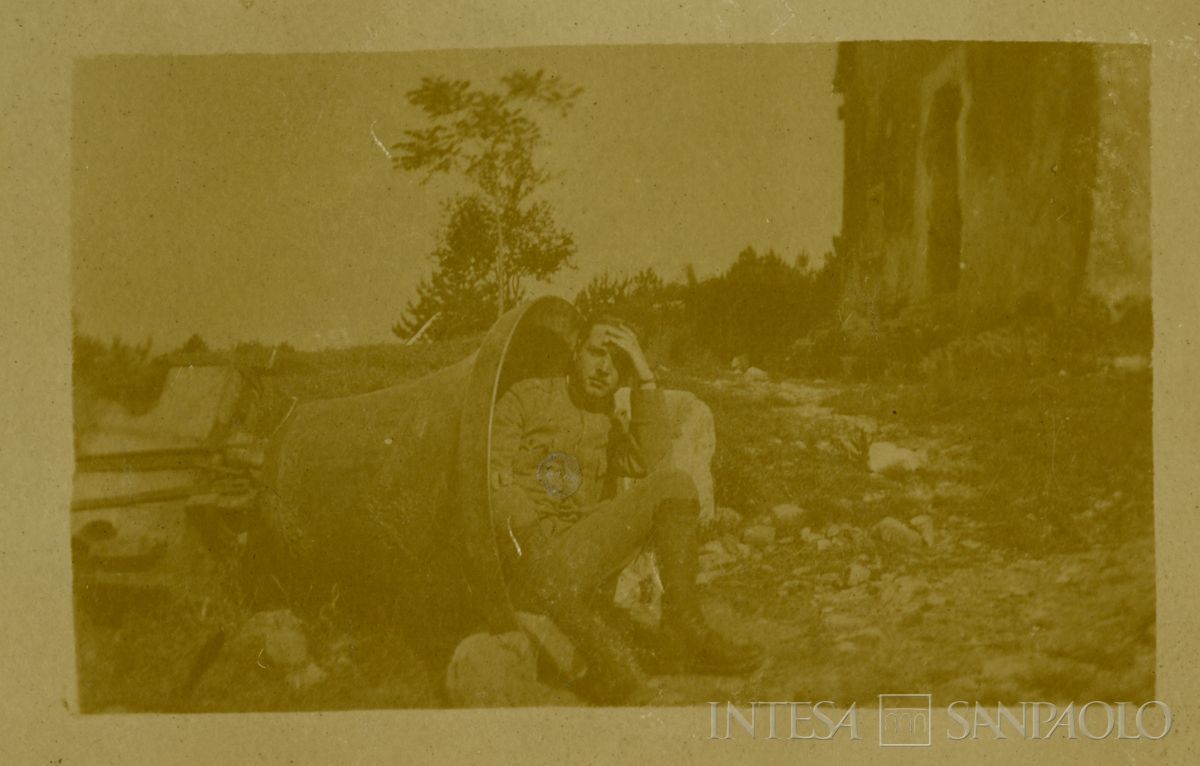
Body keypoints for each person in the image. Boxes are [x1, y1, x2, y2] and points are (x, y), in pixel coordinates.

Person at [490, 315, 762, 703]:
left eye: (619, 362)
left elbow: (654, 463)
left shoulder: (606, 419)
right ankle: (606, 661)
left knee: (675, 483)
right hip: (524, 564)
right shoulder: (525, 397)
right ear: (575, 351)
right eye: (597, 353)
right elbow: (493, 478)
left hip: (574, 557)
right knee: (507, 500)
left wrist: (645, 379)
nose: (605, 368)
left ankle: (684, 628)